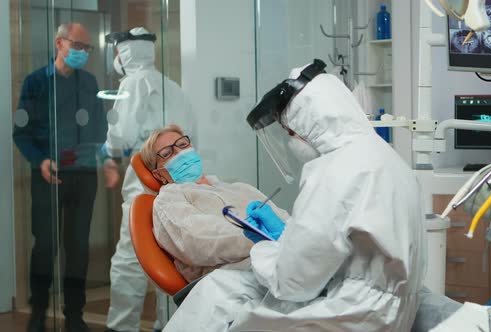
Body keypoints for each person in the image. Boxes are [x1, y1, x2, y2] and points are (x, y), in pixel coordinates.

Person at [164, 59, 427, 331]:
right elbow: (347, 242)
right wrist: (287, 235)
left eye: (290, 132)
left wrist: (264, 247)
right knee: (222, 289)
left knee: (220, 298)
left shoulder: (334, 171)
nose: (291, 142)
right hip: (385, 309)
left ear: (310, 122)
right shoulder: (388, 158)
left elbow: (291, 283)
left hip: (350, 314)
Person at [12, 22, 111, 332]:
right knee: (44, 246)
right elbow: (21, 133)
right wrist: (40, 160)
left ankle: (74, 316)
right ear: (59, 43)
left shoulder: (90, 82)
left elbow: (100, 130)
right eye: (78, 46)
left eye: (87, 48)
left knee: (78, 248)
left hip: (83, 176)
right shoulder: (36, 83)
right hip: (48, 177)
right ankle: (39, 315)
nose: (83, 53)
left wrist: (106, 160)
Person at [101, 27, 199, 332]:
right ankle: (167, 324)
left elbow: (122, 136)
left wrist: (108, 151)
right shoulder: (173, 87)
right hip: (179, 182)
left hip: (143, 182)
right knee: (170, 256)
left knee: (130, 259)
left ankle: (121, 326)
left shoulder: (131, 86)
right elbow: (190, 135)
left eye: (118, 52)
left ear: (126, 52)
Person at [139, 125, 289, 282]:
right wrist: (255, 236)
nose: (179, 153)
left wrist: (289, 232)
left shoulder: (239, 188)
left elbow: (285, 221)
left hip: (280, 256)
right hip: (238, 277)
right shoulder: (169, 199)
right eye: (167, 153)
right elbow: (197, 240)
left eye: (182, 144)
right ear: (160, 175)